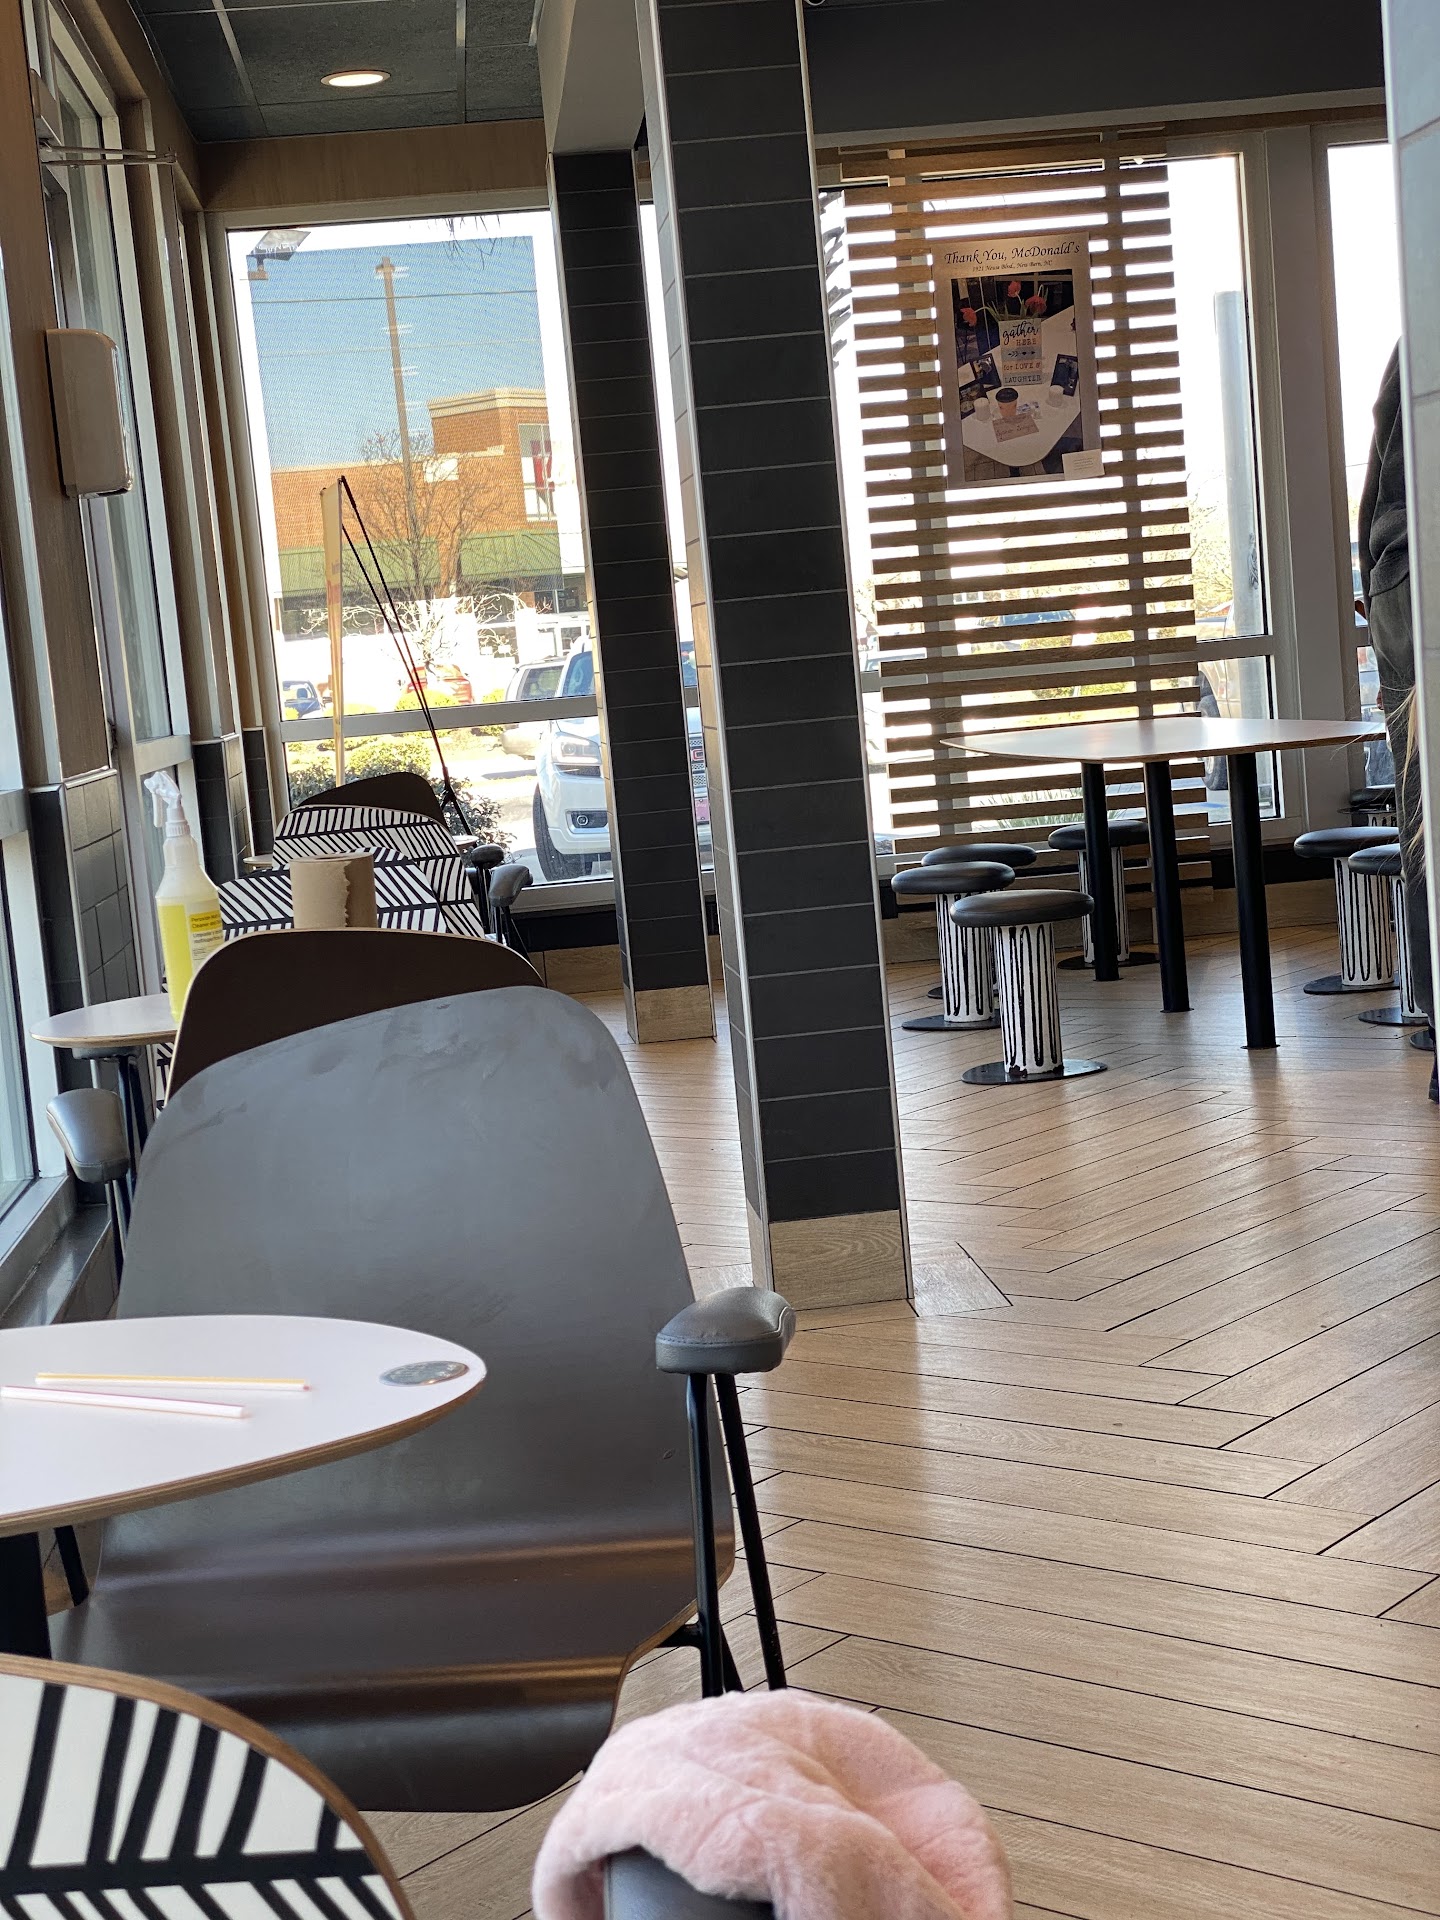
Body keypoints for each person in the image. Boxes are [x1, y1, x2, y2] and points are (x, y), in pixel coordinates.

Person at [1358, 343, 1434, 1066]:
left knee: (1425, 820)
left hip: (1403, 578)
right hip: (1409, 577)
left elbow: (1377, 491)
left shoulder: (1417, 330)